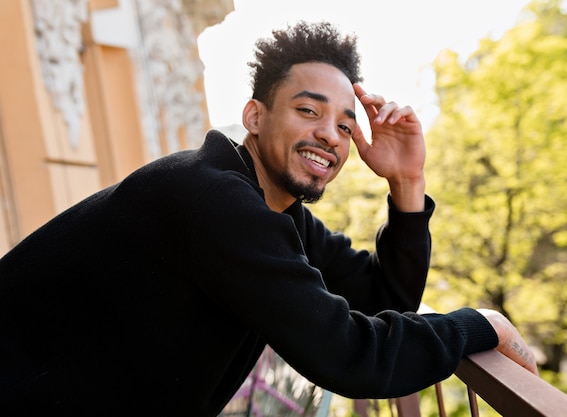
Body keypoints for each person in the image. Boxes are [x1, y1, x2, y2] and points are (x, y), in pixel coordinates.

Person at [0, 21, 537, 416]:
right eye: (308, 111)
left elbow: (383, 300)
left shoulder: (276, 212)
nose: (330, 133)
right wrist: (480, 326)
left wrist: (407, 184)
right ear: (254, 117)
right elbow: (350, 357)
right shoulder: (213, 200)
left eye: (345, 126)